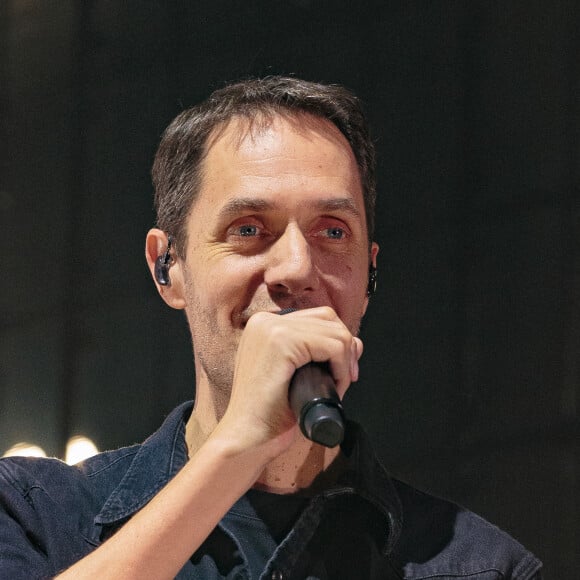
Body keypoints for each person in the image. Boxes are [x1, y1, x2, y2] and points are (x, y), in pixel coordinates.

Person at [0, 76, 542, 579]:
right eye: (249, 228)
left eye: (332, 231)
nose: (296, 269)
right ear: (168, 267)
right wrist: (239, 446)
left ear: (369, 276)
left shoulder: (484, 566)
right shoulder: (36, 514)